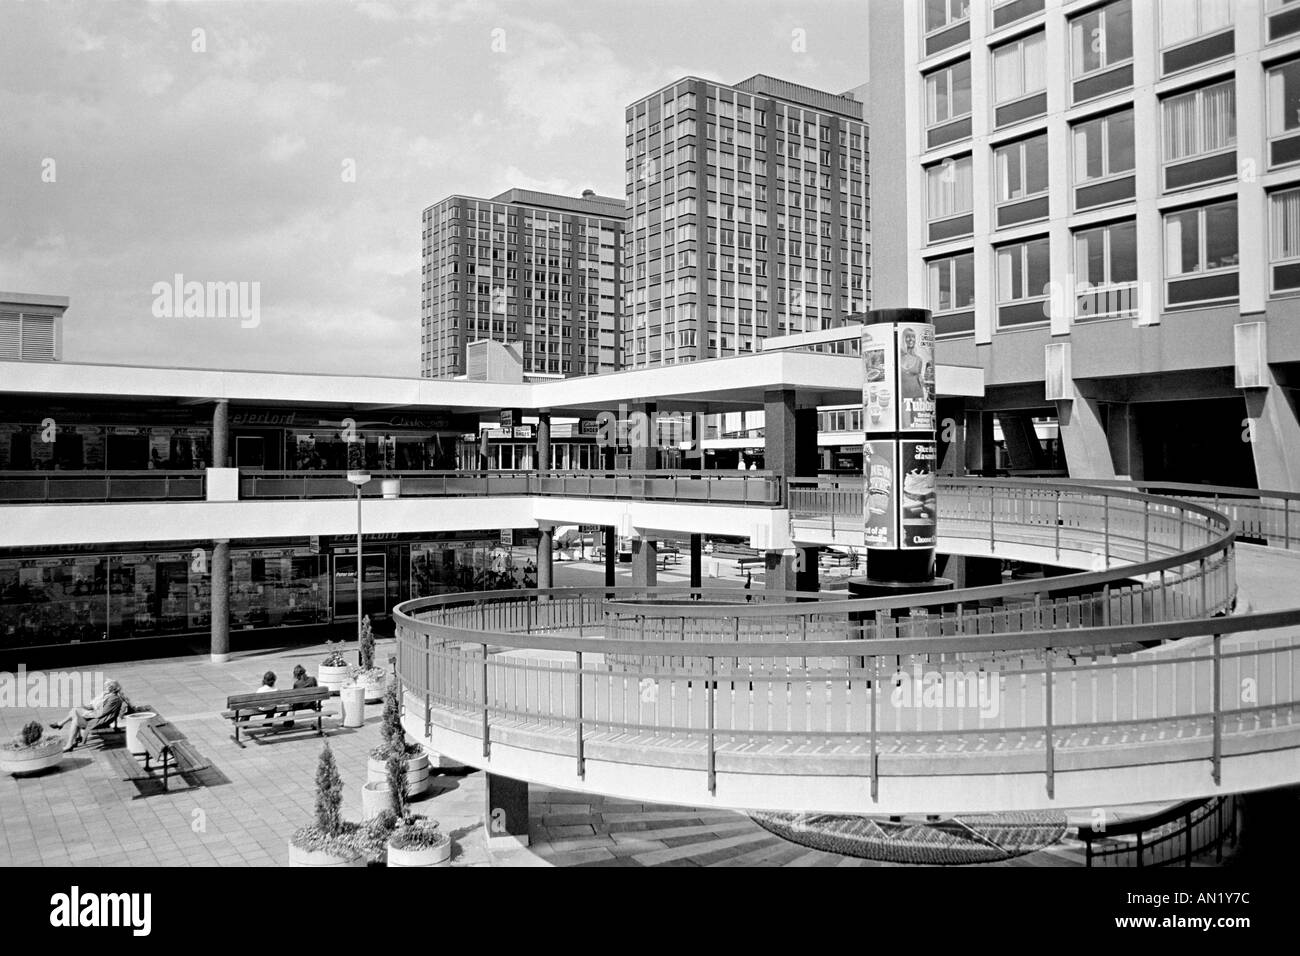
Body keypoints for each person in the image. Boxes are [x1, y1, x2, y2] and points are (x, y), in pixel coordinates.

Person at [49, 679, 128, 752]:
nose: (105, 688)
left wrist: (86, 713)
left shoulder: (113, 699)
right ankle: (69, 733)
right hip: (96, 716)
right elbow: (94, 706)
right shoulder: (106, 695)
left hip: (100, 720)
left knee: (76, 719)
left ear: (112, 689)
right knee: (75, 709)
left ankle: (69, 743)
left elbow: (102, 713)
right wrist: (85, 707)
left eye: (107, 687)